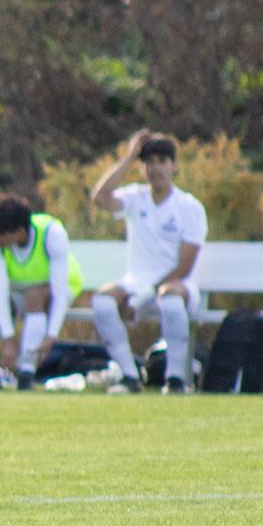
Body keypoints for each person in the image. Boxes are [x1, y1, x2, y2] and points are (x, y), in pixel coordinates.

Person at [89, 130, 208, 394]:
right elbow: (99, 197)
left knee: (170, 298)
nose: (156, 168)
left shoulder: (189, 207)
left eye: (162, 161)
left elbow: (184, 267)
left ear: (174, 166)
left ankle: (176, 379)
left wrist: (142, 298)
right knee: (102, 302)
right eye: (149, 162)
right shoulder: (135, 198)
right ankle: (130, 376)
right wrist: (130, 155)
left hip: (177, 284)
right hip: (136, 282)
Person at [0, 194, 85, 391]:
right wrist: (8, 339)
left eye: (1, 234)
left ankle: (27, 372)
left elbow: (59, 290)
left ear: (20, 232)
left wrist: (51, 336)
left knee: (34, 296)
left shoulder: (52, 233)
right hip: (19, 290)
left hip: (56, 289)